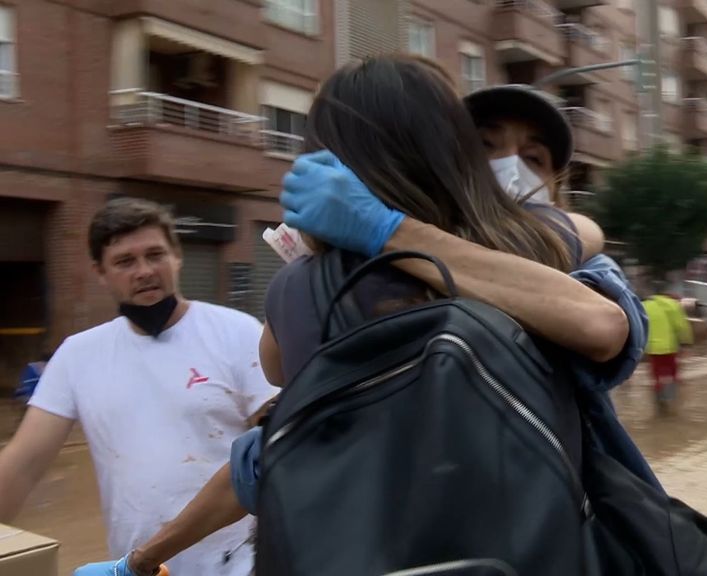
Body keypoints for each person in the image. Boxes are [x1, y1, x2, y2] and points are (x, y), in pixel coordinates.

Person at [75, 55, 649, 575]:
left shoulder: (298, 292)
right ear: (452, 154)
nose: (512, 171)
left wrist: (139, 562)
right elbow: (606, 323)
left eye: (531, 157)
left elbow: (272, 411)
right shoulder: (535, 251)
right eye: (489, 146)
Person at [0, 198, 279, 576]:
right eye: (125, 262)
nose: (145, 271)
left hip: (240, 563)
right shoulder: (78, 356)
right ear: (100, 272)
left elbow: (278, 449)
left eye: (155, 255)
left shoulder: (237, 333)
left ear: (177, 256)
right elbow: (24, 463)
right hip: (139, 568)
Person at [643, 283, 693, 405]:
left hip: (651, 348)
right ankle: (671, 401)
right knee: (672, 374)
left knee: (656, 375)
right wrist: (686, 343)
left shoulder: (644, 306)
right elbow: (682, 326)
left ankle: (659, 402)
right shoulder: (673, 305)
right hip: (670, 348)